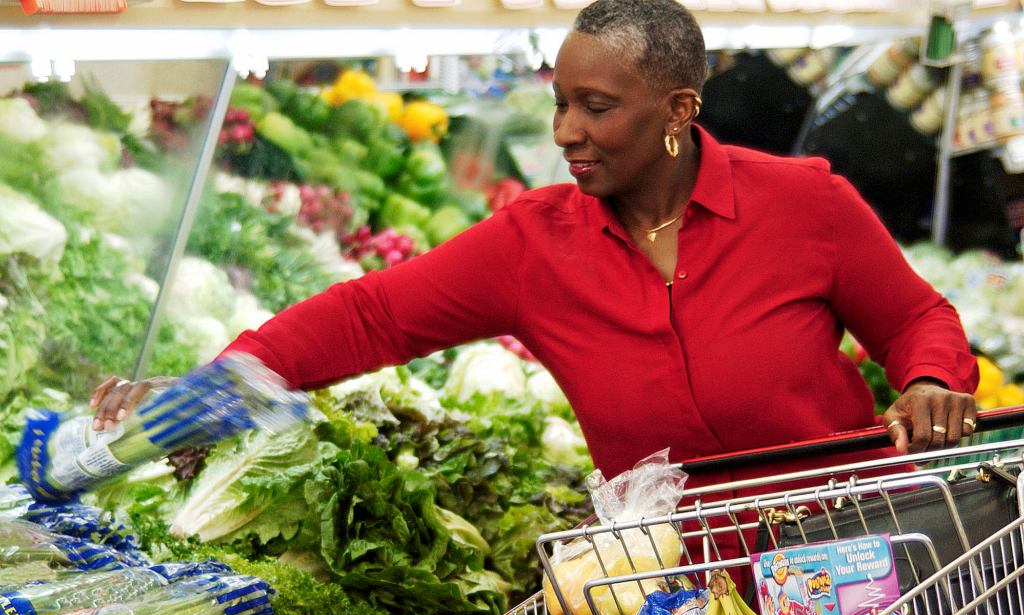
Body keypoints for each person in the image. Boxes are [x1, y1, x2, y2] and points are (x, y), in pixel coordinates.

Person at [92, 0, 978, 516]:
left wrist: (932, 378)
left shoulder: (805, 204)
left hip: (856, 547)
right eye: (559, 104)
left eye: (596, 107)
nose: (565, 134)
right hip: (671, 581)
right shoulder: (532, 244)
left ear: (678, 110)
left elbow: (914, 319)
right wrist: (214, 385)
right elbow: (372, 316)